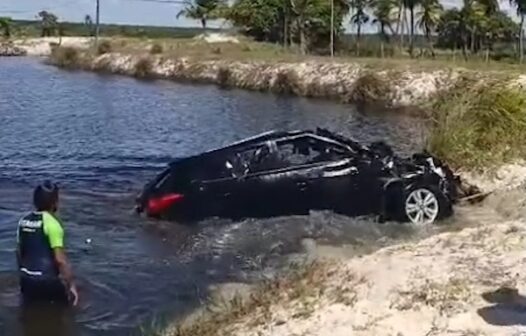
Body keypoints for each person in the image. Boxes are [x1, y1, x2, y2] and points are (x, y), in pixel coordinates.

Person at [16, 180, 79, 307]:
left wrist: (24, 274)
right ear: (54, 202)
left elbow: (19, 252)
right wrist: (71, 285)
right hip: (47, 281)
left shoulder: (23, 221)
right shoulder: (53, 223)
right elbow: (60, 260)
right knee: (64, 316)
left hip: (27, 280)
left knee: (29, 317)